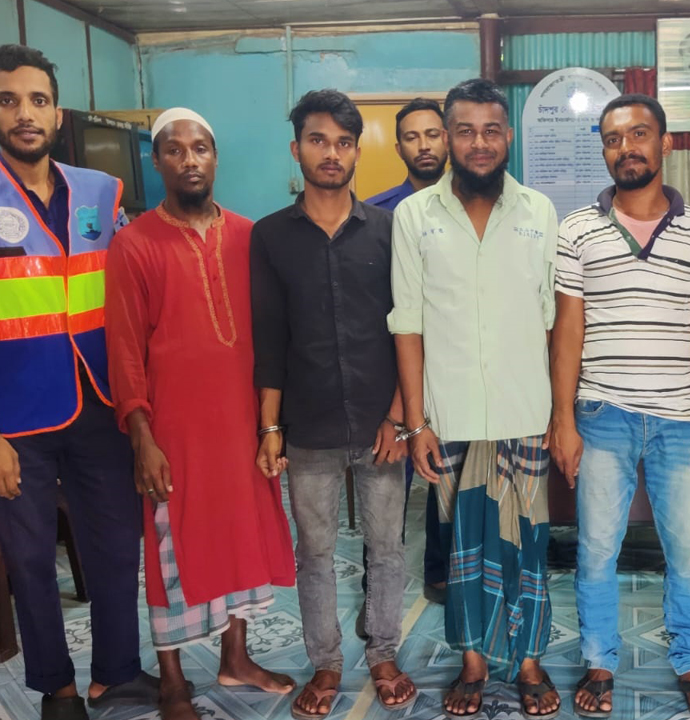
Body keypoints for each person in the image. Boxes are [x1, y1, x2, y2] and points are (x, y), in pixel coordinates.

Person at [0, 44, 157, 720]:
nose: (24, 113)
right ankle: (56, 689)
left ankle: (116, 673)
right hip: (13, 418)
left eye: (37, 100)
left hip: (101, 404)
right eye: (8, 101)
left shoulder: (103, 193)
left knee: (115, 546)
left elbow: (128, 301)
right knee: (29, 561)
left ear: (57, 113)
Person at [105, 107, 297, 720]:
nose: (189, 160)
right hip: (174, 430)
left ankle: (235, 658)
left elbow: (270, 334)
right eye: (175, 150)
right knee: (172, 547)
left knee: (241, 538)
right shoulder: (133, 244)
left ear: (216, 157)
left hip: (241, 422)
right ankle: (172, 680)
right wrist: (142, 437)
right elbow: (125, 349)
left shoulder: (248, 235)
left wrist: (270, 424)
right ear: (156, 160)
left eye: (201, 148)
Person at [551, 93, 690, 720]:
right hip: (603, 416)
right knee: (597, 548)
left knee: (688, 553)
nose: (626, 148)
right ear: (604, 151)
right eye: (613, 138)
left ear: (665, 143)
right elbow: (567, 330)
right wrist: (563, 418)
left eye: (638, 134)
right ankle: (600, 659)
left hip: (681, 419)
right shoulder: (576, 230)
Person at [388, 78, 561, 720]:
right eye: (465, 131)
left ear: (508, 136)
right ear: (448, 139)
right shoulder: (414, 216)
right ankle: (473, 661)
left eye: (491, 130)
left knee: (528, 548)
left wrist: (560, 413)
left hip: (526, 412)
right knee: (461, 552)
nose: (479, 143)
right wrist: (415, 423)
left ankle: (530, 660)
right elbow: (408, 324)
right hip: (451, 416)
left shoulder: (539, 212)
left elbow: (553, 322)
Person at [251, 89, 415, 719]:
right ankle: (324, 662)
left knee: (387, 547)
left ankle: (383, 653)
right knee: (314, 553)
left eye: (344, 142)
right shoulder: (271, 236)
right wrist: (270, 426)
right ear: (296, 149)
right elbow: (269, 337)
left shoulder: (389, 230)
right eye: (318, 140)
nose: (332, 153)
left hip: (381, 423)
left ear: (357, 153)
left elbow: (410, 327)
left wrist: (400, 414)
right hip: (308, 423)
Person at [365, 96, 450, 608]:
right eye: (412, 137)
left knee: (445, 481)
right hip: (392, 374)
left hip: (451, 372)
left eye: (432, 134)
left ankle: (441, 575)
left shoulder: (468, 208)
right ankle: (377, 595)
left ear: (448, 139)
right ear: (398, 147)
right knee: (386, 489)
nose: (424, 145)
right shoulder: (377, 215)